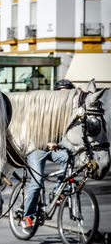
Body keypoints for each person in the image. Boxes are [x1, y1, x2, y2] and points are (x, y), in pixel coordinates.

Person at [22, 79, 75, 234]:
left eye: (69, 92)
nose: (66, 95)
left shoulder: (67, 112)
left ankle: (58, 191)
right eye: (63, 92)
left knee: (69, 158)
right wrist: (47, 141)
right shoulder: (46, 107)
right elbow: (32, 127)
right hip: (36, 148)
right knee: (37, 182)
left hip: (53, 149)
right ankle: (27, 216)